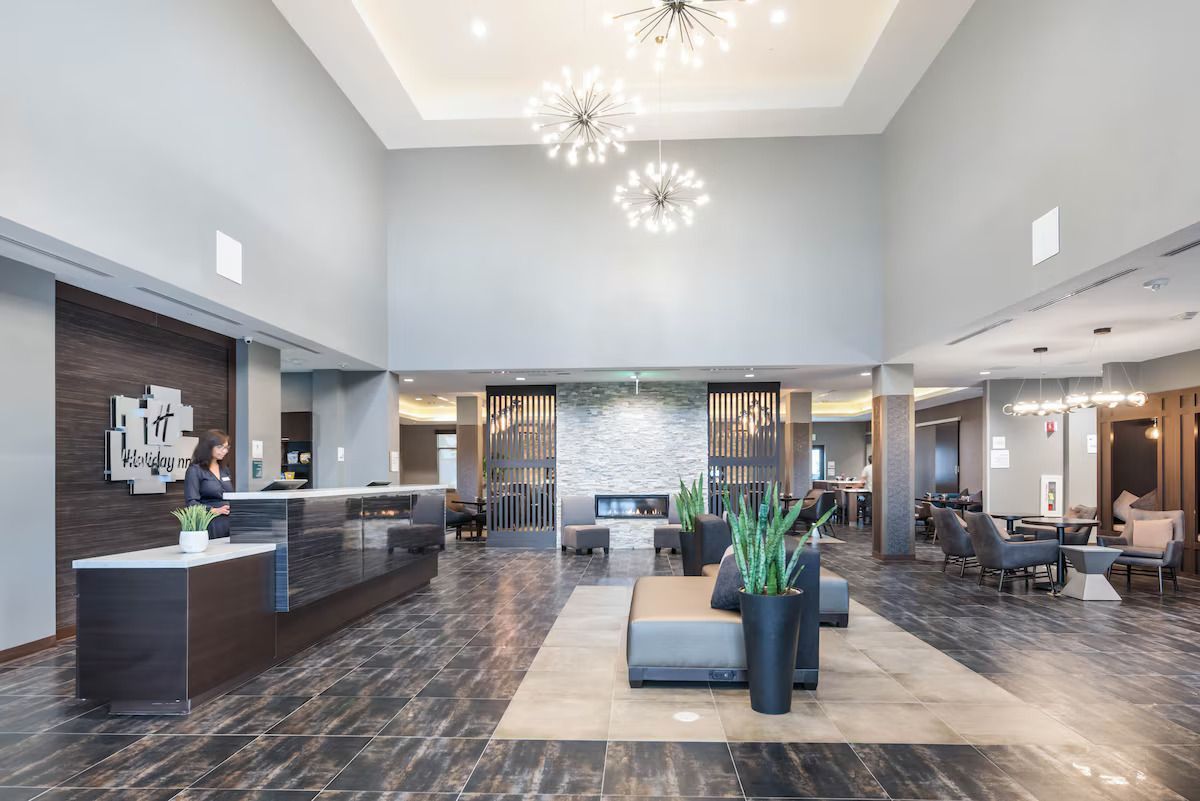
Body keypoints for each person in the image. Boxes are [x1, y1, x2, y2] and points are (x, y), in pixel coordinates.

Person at [184, 429, 233, 539]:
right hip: (211, 523)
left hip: (229, 522)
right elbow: (191, 503)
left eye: (226, 448)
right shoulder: (195, 470)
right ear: (208, 447)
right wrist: (214, 510)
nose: (224, 451)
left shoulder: (224, 469)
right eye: (220, 447)